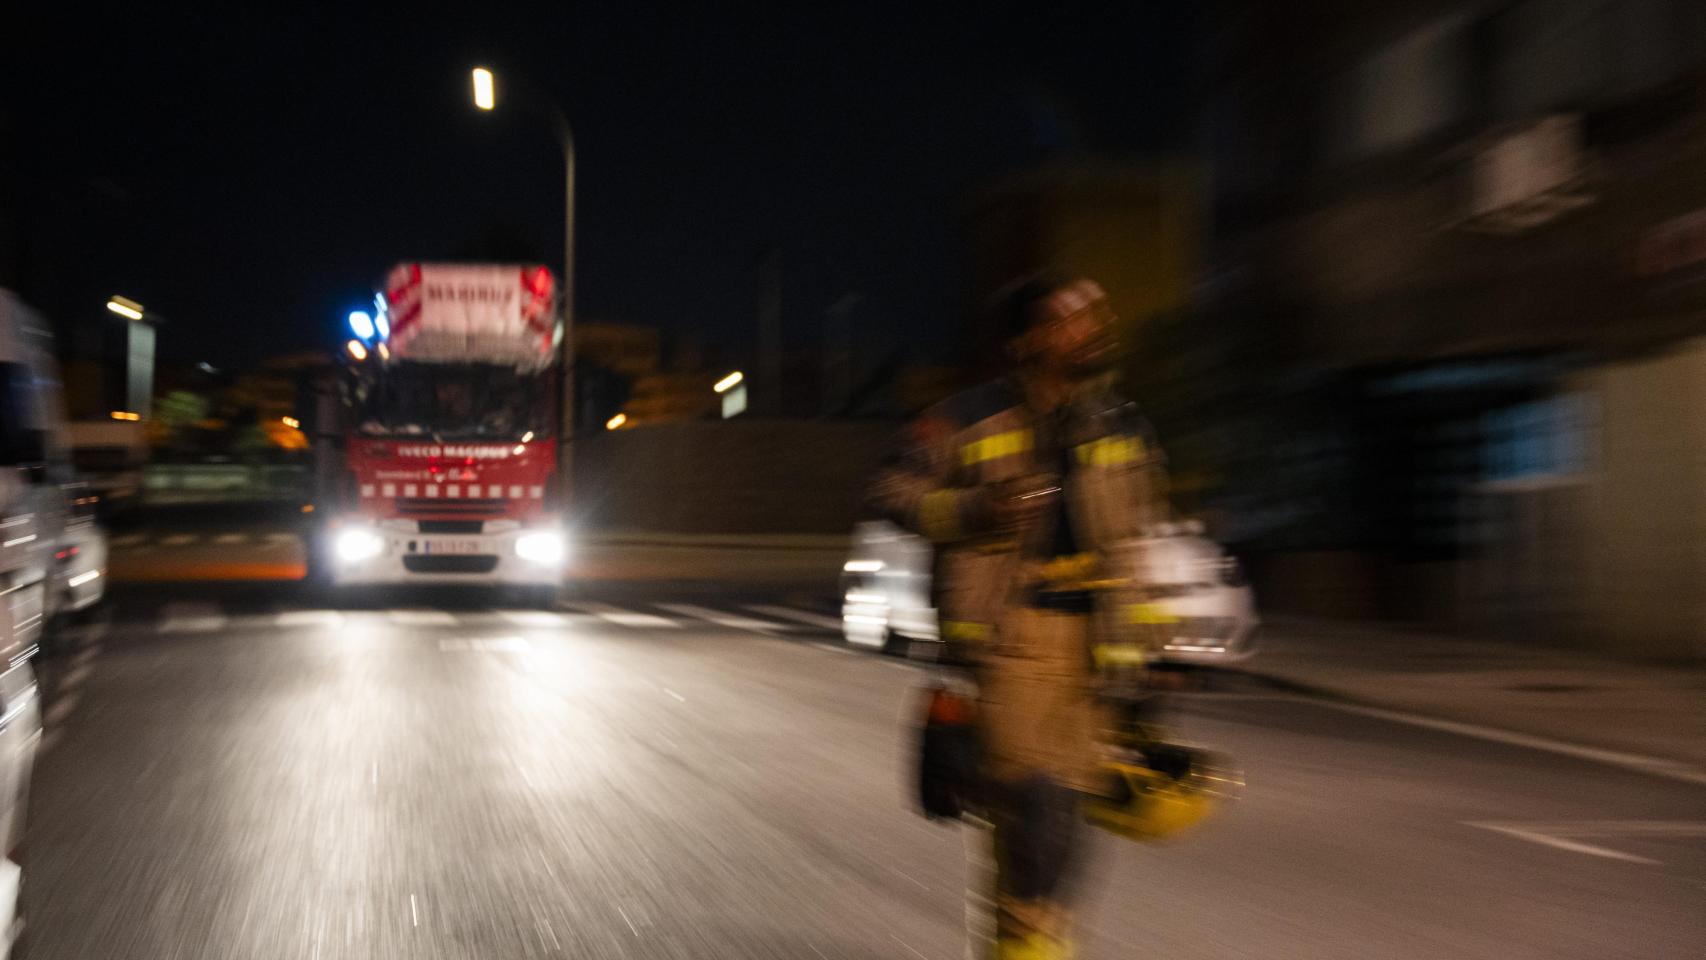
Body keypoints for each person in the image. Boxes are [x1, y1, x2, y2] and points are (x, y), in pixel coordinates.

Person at [870, 276, 1169, 960]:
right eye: (1072, 319)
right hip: (1012, 644)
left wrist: (1153, 661)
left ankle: (1028, 941)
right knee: (1033, 806)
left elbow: (1143, 542)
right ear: (1028, 341)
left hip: (1098, 652)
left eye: (1098, 313)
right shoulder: (964, 418)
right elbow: (888, 489)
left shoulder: (1124, 425)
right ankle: (1028, 940)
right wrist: (974, 511)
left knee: (1065, 823)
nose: (1094, 326)